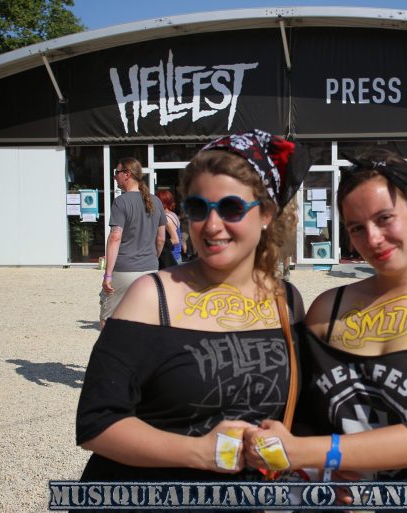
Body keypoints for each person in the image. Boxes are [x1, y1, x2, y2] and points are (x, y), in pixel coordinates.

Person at [243, 148, 407, 493]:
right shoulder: (327, 309)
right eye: (357, 228)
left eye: (384, 218)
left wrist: (314, 453)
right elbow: (305, 412)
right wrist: (321, 471)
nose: (373, 239)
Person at [77, 129, 310, 485]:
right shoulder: (152, 296)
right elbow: (96, 422)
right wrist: (200, 452)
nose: (212, 226)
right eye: (199, 209)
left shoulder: (286, 300)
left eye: (231, 208)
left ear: (266, 213)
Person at [99, 158, 166, 330]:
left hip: (125, 270)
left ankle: (111, 348)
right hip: (150, 270)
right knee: (144, 321)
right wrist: (152, 258)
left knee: (109, 321)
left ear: (127, 174)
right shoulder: (156, 201)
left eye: (117, 173)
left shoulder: (121, 201)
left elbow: (115, 237)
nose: (115, 177)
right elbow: (161, 239)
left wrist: (108, 274)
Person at [155, 189, 185, 266]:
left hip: (171, 258)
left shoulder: (166, 217)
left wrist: (158, 244)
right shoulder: (172, 214)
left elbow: (175, 240)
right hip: (176, 256)